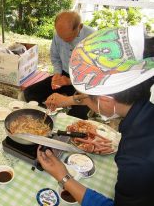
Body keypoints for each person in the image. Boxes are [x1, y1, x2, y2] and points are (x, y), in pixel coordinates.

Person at [37, 26, 154, 206]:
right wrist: (67, 101)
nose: (85, 100)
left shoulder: (137, 157)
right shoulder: (144, 94)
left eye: (88, 97)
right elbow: (95, 99)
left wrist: (63, 177)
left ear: (106, 100)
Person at [23, 11, 95, 119]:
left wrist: (70, 81)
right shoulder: (59, 34)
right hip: (64, 75)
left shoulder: (93, 38)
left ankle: (64, 113)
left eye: (68, 38)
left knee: (77, 115)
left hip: (85, 83)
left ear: (79, 27)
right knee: (29, 93)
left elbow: (95, 75)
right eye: (61, 37)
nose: (64, 41)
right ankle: (49, 116)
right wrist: (57, 74)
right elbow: (55, 57)